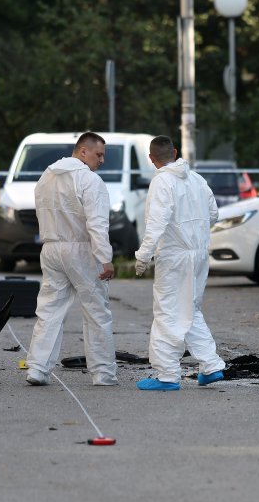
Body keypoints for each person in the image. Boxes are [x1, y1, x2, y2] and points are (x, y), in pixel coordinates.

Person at [25, 132, 118, 386]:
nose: (101, 161)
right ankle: (103, 373)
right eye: (99, 154)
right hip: (81, 249)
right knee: (97, 310)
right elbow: (97, 224)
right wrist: (105, 258)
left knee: (49, 310)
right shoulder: (90, 180)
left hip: (51, 247)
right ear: (83, 151)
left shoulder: (47, 175)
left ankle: (37, 368)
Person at [134, 135, 226, 391]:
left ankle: (167, 375)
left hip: (175, 256)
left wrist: (143, 256)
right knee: (190, 308)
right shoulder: (196, 179)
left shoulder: (162, 182)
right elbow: (214, 214)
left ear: (152, 159)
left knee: (166, 313)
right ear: (174, 152)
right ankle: (211, 365)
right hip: (198, 254)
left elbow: (156, 224)